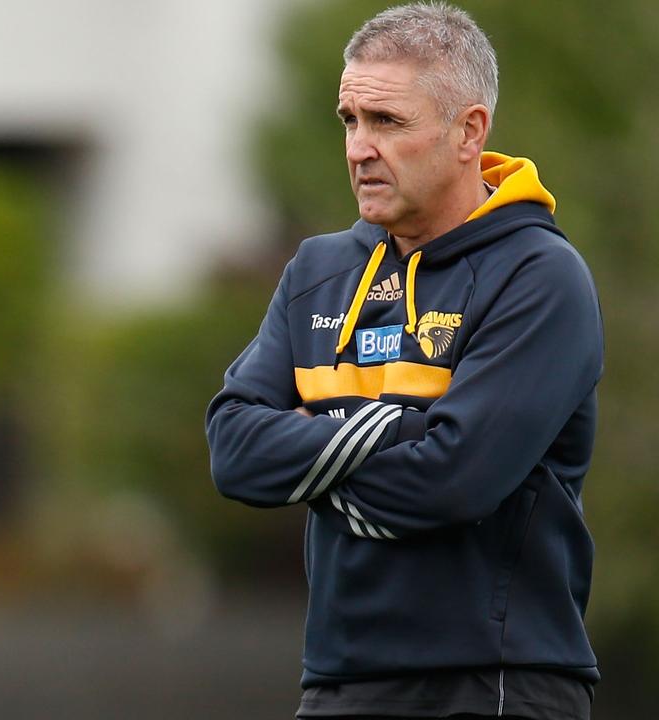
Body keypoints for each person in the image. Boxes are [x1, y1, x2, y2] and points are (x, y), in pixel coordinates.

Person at [205, 4, 602, 719]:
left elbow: (452, 483)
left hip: (497, 680)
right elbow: (232, 450)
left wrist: (311, 461)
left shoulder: (541, 276)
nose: (360, 147)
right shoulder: (318, 270)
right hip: (337, 679)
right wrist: (401, 429)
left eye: (387, 122)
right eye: (350, 120)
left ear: (468, 133)